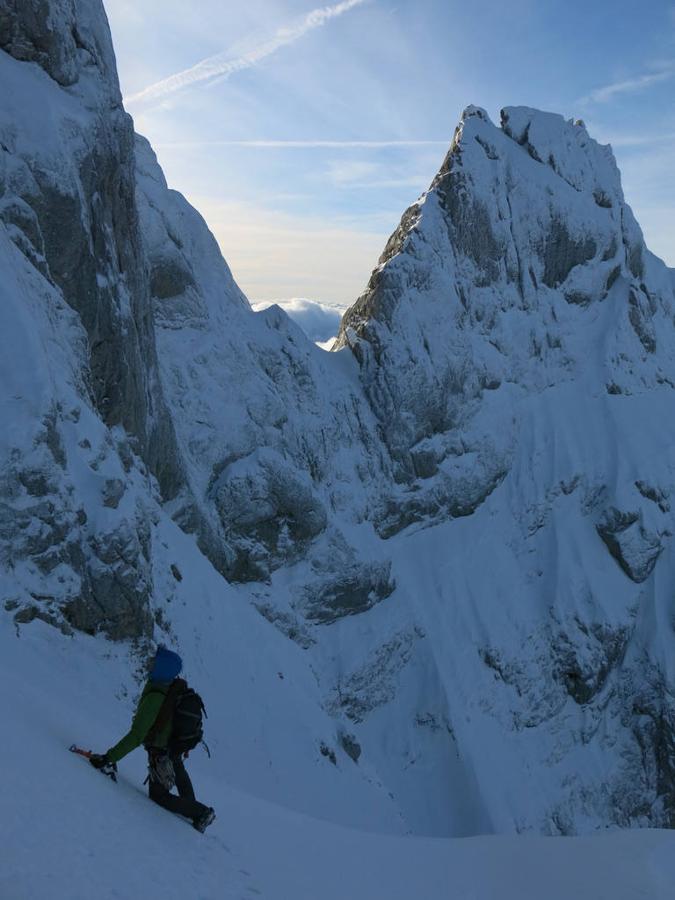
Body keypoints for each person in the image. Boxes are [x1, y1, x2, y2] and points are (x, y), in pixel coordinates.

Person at [90, 646, 216, 833]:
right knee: (177, 765)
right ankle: (195, 810)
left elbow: (137, 735)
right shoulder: (170, 688)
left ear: (162, 668)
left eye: (154, 662)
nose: (149, 664)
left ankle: (200, 812)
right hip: (172, 747)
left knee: (159, 796)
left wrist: (108, 758)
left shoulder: (156, 696)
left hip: (162, 751)